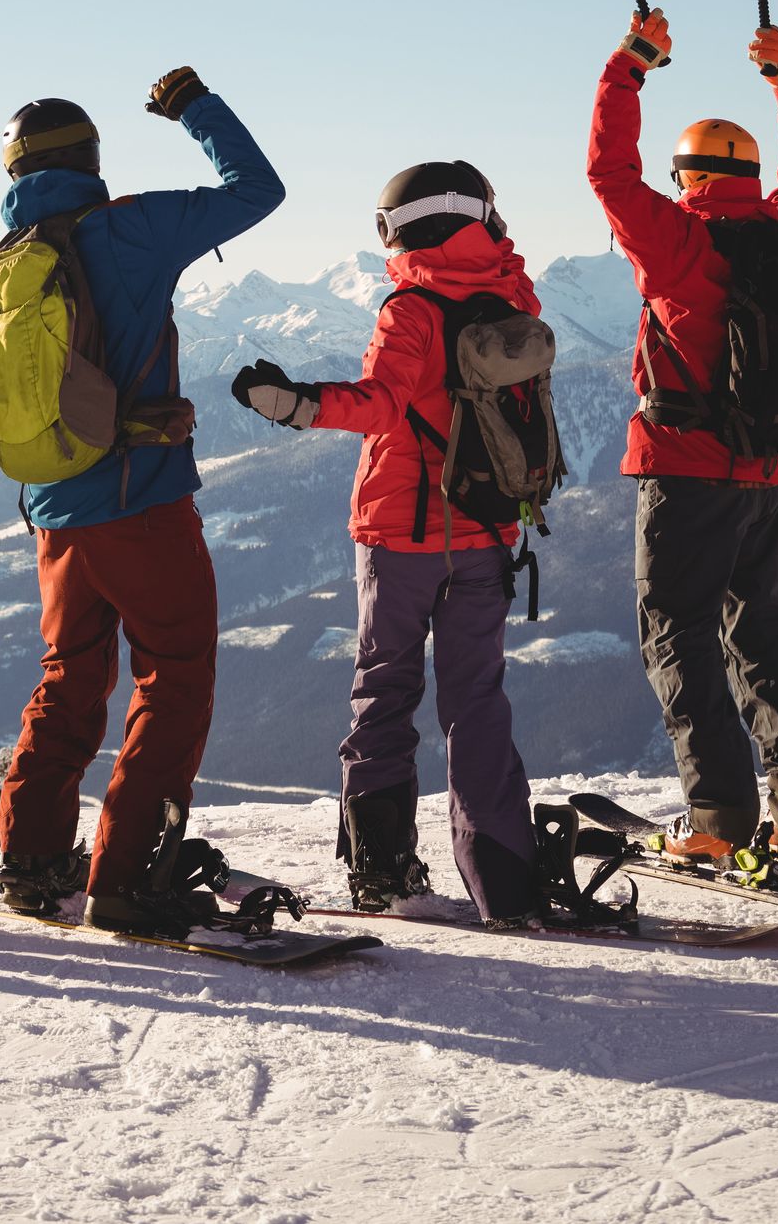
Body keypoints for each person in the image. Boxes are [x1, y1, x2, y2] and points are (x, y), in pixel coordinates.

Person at [0, 71, 284, 936]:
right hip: (141, 499)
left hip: (52, 509)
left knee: (69, 674)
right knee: (176, 670)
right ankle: (127, 873)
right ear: (89, 158)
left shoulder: (11, 255)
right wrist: (194, 103)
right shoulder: (129, 229)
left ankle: (33, 856)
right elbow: (257, 190)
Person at [231, 159, 545, 925]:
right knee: (478, 703)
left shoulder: (411, 307)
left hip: (401, 536)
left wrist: (295, 403)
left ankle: (383, 874)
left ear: (398, 225)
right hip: (488, 531)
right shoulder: (514, 297)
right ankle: (502, 878)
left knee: (384, 696)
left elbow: (378, 405)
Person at [589, 9, 778, 862]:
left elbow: (607, 169)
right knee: (763, 641)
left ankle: (720, 821)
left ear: (686, 176)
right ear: (746, 174)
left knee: (678, 635)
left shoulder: (675, 243)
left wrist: (631, 63)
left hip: (683, 473)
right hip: (762, 475)